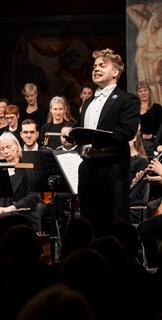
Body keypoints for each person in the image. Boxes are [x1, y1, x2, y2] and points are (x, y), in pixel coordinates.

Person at [78, 48, 140, 236]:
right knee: (89, 219)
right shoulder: (88, 102)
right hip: (88, 166)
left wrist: (96, 138)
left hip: (111, 167)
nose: (96, 68)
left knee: (114, 220)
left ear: (115, 72)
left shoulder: (127, 99)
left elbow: (126, 131)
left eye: (102, 65)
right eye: (95, 65)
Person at [0, 133, 42, 231]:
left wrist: (8, 209)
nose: (5, 151)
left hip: (23, 214)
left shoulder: (28, 166)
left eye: (8, 147)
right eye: (2, 149)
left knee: (2, 219)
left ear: (17, 147)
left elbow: (33, 197)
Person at [127, 2, 162, 104]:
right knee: (143, 96)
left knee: (156, 95)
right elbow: (130, 10)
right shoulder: (143, 24)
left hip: (155, 68)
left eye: (160, 17)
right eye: (157, 16)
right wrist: (147, 6)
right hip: (142, 67)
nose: (158, 20)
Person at [135, 81, 162, 156]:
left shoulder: (157, 108)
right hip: (139, 143)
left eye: (145, 90)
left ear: (149, 91)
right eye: (140, 91)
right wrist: (141, 135)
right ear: (137, 94)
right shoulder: (134, 109)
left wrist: (152, 135)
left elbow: (161, 127)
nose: (143, 93)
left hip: (155, 143)